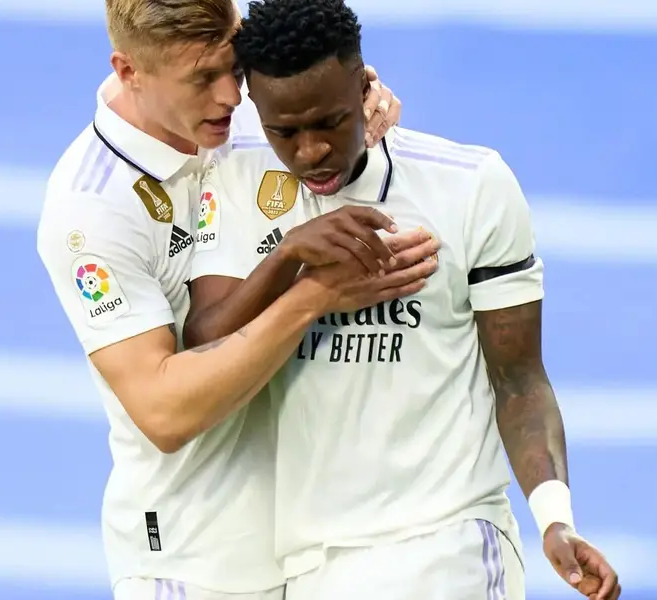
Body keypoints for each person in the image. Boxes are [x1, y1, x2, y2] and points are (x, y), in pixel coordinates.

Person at [182, 1, 622, 599]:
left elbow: (519, 379)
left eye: (330, 122)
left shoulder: (469, 184)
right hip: (311, 563)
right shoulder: (235, 186)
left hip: (449, 545)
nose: (310, 151)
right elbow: (203, 354)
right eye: (284, 131)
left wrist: (554, 518)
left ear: (366, 86)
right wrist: (288, 258)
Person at [35, 1, 437, 599]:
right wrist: (312, 297)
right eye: (202, 79)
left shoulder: (251, 115)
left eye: (235, 63)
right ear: (129, 70)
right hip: (197, 558)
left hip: (326, 547)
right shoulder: (91, 210)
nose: (230, 96)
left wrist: (353, 98)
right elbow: (164, 411)